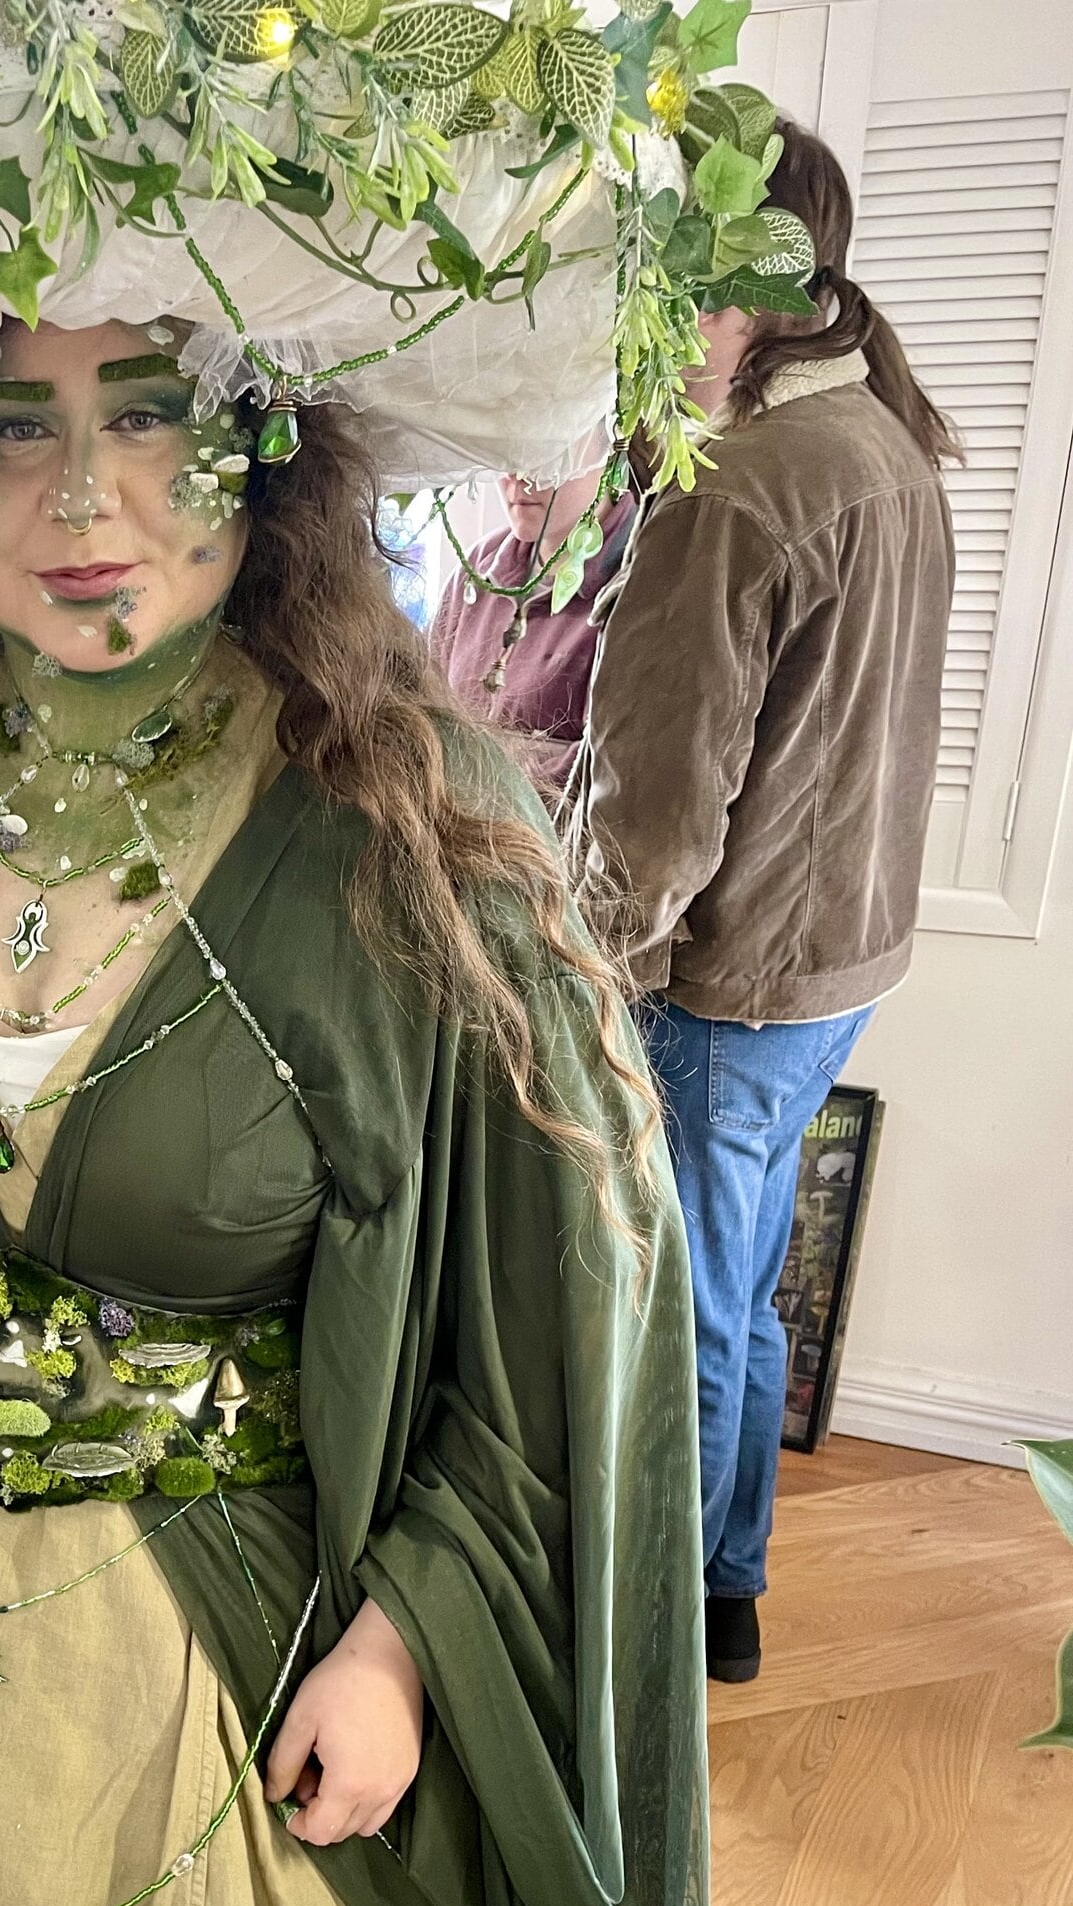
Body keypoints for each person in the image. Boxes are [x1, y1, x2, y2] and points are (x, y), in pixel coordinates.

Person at [0, 316, 706, 1906]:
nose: (82, 497)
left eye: (150, 421)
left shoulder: (409, 826)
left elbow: (563, 1320)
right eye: (16, 428)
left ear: (268, 454)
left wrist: (407, 1642)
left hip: (240, 1677)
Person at [569, 122, 959, 1684]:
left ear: (719, 278)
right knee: (739, 1283)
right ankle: (725, 1580)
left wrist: (586, 971)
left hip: (736, 981)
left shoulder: (739, 484)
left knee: (690, 1305)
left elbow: (659, 804)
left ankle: (682, 1611)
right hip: (835, 959)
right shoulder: (881, 437)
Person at [432, 445, 635, 798]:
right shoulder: (478, 569)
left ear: (611, 442)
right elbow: (424, 715)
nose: (519, 476)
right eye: (509, 446)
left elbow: (608, 775)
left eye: (549, 451)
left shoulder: (639, 585)